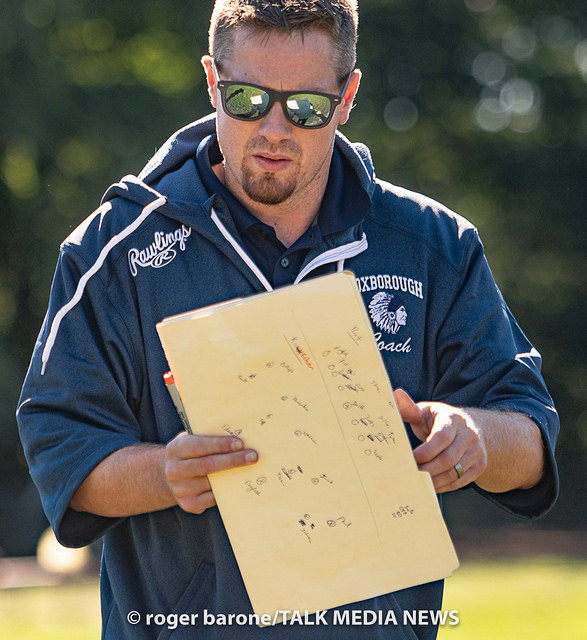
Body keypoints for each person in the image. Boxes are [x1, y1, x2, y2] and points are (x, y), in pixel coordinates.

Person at [17, 1, 559, 638]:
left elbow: (532, 441)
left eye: (305, 108)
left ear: (348, 96)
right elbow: (61, 448)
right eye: (247, 99)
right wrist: (164, 472)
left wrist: (474, 437)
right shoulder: (111, 253)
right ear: (212, 82)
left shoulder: (435, 246)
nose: (273, 129)